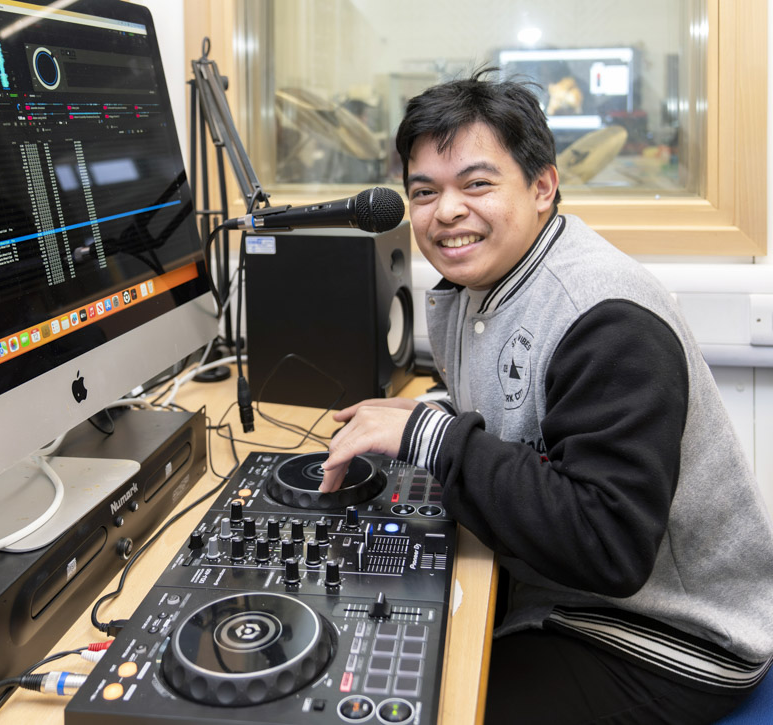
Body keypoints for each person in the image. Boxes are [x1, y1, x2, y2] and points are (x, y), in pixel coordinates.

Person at [319, 69, 773, 724]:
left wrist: (432, 437)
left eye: (476, 184)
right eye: (424, 192)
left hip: (673, 636)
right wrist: (433, 414)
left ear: (542, 186)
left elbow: (607, 542)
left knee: (422, 706)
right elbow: (524, 415)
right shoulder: (487, 282)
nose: (446, 211)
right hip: (568, 593)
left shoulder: (605, 317)